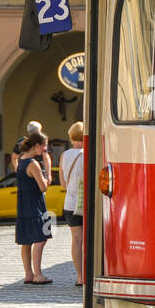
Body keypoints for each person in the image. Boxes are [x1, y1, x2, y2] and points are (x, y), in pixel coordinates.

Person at [15, 131, 53, 284]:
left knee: (26, 241)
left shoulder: (21, 160)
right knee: (41, 238)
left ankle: (28, 274)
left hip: (23, 205)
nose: (44, 150)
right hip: (35, 205)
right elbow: (43, 187)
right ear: (37, 146)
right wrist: (48, 174)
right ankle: (38, 274)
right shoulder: (32, 163)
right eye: (44, 147)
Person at [60, 122, 86, 286]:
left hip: (69, 203)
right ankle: (89, 274)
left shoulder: (64, 155)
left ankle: (79, 276)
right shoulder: (86, 153)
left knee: (76, 240)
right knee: (89, 240)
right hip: (85, 204)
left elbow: (63, 184)